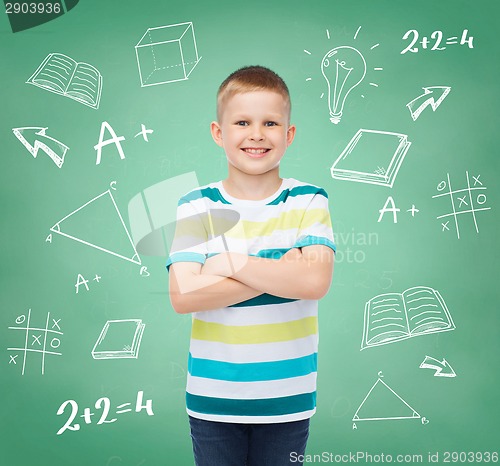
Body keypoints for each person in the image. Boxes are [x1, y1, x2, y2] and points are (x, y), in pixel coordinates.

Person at [167, 65, 335, 466]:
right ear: (218, 133)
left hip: (288, 397)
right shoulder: (196, 205)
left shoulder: (309, 200)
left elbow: (315, 281)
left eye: (270, 123)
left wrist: (226, 263)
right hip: (214, 399)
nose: (256, 134)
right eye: (242, 122)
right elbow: (183, 295)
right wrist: (282, 268)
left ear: (288, 134)